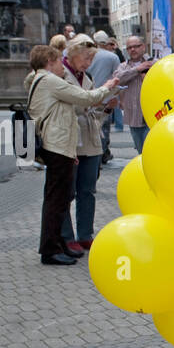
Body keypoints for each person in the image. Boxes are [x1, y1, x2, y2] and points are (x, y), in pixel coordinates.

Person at [27, 45, 119, 266]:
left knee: (58, 199)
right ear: (50, 60)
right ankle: (50, 250)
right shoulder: (49, 80)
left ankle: (58, 245)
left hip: (60, 147)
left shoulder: (44, 80)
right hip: (56, 147)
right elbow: (85, 98)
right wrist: (108, 86)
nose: (62, 66)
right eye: (59, 61)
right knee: (56, 200)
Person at [60, 35, 107, 253]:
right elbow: (69, 106)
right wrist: (93, 99)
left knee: (87, 191)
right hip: (70, 141)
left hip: (91, 141)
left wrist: (105, 108)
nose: (88, 63)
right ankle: (67, 237)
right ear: (74, 53)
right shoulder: (60, 75)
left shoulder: (86, 77)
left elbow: (93, 112)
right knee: (67, 192)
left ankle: (85, 235)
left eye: (91, 59)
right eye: (86, 58)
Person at [113, 36, 154, 153]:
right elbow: (117, 79)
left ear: (143, 47)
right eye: (129, 47)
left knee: (150, 151)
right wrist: (137, 70)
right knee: (141, 152)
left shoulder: (153, 63)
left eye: (136, 46)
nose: (132, 49)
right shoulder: (123, 66)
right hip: (133, 117)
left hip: (151, 116)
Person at [90, 32, 121, 165]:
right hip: (105, 98)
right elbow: (117, 78)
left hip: (88, 96)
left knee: (90, 127)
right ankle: (102, 154)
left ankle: (95, 155)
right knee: (103, 128)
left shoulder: (87, 55)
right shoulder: (112, 57)